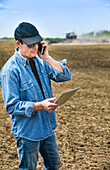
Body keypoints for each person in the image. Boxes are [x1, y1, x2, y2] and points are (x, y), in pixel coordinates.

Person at [0, 22, 71, 170]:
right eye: (30, 45)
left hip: (47, 126)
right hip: (28, 132)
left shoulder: (41, 62)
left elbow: (64, 76)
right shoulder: (10, 71)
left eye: (37, 44)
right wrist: (40, 106)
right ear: (18, 43)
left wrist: (48, 58)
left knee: (54, 165)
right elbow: (12, 106)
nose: (35, 48)